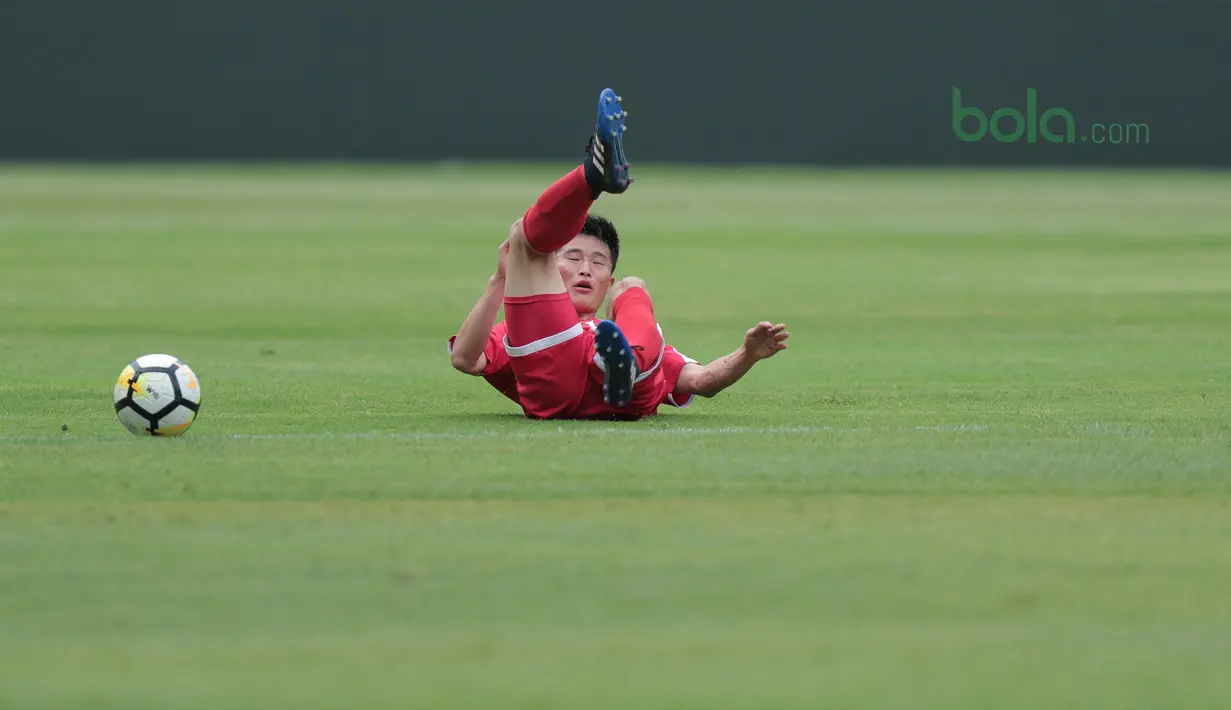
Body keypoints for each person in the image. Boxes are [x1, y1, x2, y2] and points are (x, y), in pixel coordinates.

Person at [448, 88, 789, 420]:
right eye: (573, 257)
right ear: (551, 269)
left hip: (626, 377)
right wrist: (501, 278)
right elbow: (466, 359)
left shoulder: (616, 333)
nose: (585, 270)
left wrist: (747, 354)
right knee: (522, 236)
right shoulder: (522, 329)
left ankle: (624, 368)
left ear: (605, 282)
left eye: (598, 263)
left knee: (632, 286)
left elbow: (703, 381)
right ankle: (592, 176)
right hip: (557, 371)